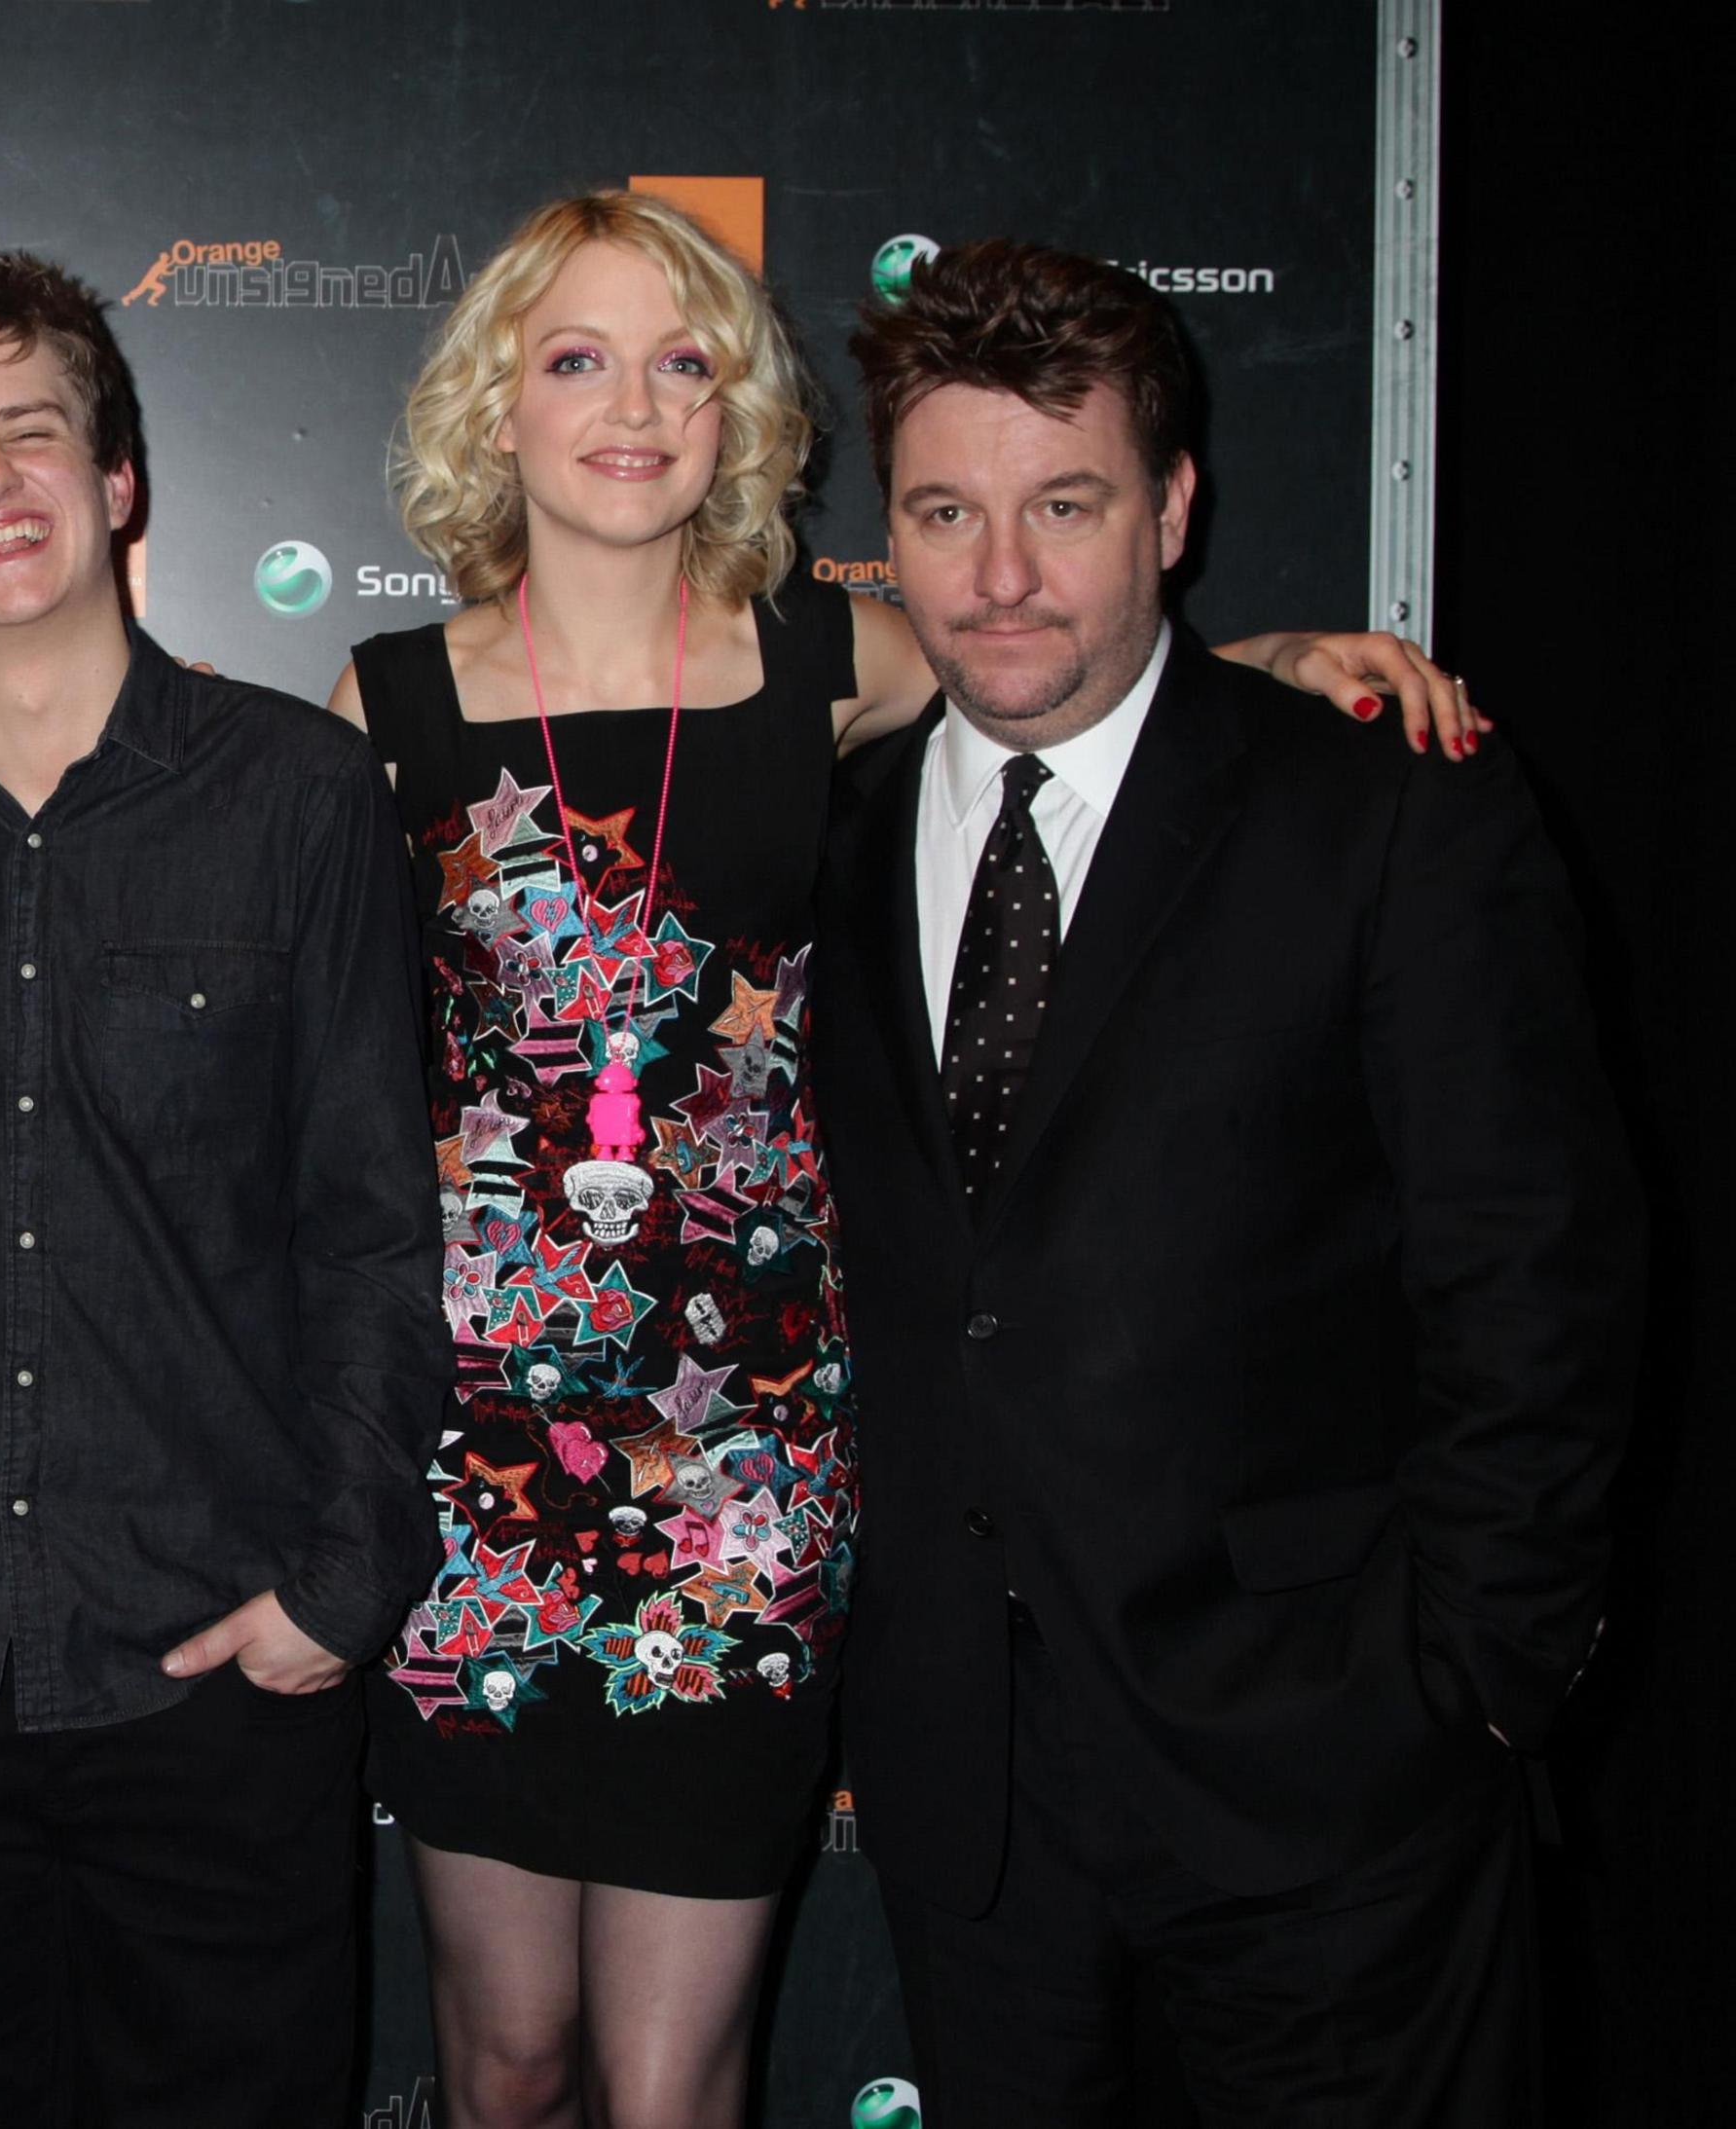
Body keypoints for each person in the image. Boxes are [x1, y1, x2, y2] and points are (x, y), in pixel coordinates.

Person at [329, 194, 1482, 2129]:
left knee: (665, 2076)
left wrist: (1274, 654)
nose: (636, 403)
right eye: (580, 358)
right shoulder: (388, 707)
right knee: (505, 2059)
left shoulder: (833, 662)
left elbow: (1074, 682)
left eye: (684, 359)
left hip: (748, 1491)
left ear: (737, 410)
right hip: (479, 1490)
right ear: (495, 405)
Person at [814, 239, 1633, 2125]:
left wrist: (1476, 1682)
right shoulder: (839, 834)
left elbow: (1538, 1277)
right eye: (946, 510)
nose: (1000, 574)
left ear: (1173, 510)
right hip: (970, 1801)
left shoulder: (1386, 808)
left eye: (1066, 504)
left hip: (1334, 1783)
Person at [0, 244, 445, 2126]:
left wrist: (343, 1576)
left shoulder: (303, 798)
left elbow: (377, 1226)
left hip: (219, 1683)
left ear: (119, 477)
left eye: (31, 433)